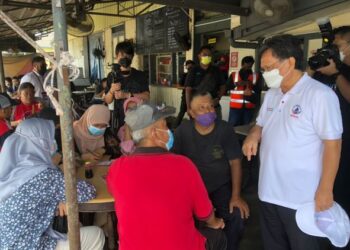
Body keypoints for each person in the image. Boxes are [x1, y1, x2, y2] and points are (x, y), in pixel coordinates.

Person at [242, 34, 343, 250]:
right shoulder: (272, 94)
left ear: (290, 62)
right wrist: (254, 134)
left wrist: (325, 190)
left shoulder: (319, 95)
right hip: (268, 192)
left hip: (302, 199)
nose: (265, 74)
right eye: (263, 69)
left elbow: (333, 145)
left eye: (269, 68)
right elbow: (261, 124)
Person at [107, 102, 227, 250]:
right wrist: (215, 223)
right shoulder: (184, 166)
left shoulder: (117, 167)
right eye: (165, 126)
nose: (169, 131)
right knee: (219, 237)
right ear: (154, 133)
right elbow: (205, 213)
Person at [0, 118, 105, 250]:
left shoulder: (10, 170)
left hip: (7, 244)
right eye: (50, 138)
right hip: (31, 246)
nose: (53, 143)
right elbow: (88, 191)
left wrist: (59, 196)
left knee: (77, 226)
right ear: (40, 142)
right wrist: (61, 196)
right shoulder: (44, 176)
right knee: (96, 234)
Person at [173, 91, 249, 250]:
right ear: (191, 113)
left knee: (237, 215)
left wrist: (236, 196)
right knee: (180, 219)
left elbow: (235, 162)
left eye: (211, 106)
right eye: (202, 108)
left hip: (221, 187)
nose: (208, 111)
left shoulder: (225, 129)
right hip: (192, 190)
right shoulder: (183, 131)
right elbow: (174, 165)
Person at [310, 26, 350, 248]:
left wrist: (337, 73)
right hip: (322, 147)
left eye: (338, 46)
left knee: (342, 195)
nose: (334, 50)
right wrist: (314, 65)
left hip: (346, 148)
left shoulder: (341, 71)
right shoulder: (327, 69)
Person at [104, 41, 149, 131]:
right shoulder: (112, 76)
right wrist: (111, 91)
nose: (125, 58)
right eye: (122, 55)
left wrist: (127, 95)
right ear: (117, 57)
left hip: (138, 120)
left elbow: (147, 97)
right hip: (119, 121)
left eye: (128, 55)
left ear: (132, 57)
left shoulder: (140, 75)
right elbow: (107, 100)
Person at [185, 45, 226, 119]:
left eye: (209, 55)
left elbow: (223, 86)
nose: (207, 57)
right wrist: (188, 107)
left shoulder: (216, 70)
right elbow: (188, 90)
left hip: (213, 106)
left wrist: (218, 98)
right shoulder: (193, 70)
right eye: (204, 55)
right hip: (197, 106)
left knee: (216, 127)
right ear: (199, 56)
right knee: (197, 128)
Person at [227, 56, 262, 126]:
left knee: (246, 129)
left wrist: (250, 84)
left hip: (249, 108)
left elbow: (259, 91)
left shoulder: (256, 76)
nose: (248, 68)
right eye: (247, 66)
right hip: (235, 108)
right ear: (242, 64)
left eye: (250, 66)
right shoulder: (234, 75)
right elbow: (227, 88)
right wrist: (235, 84)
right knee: (232, 128)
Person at [175, 60, 195, 127]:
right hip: (185, 97)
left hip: (194, 98)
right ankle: (175, 127)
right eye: (188, 67)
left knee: (193, 114)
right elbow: (178, 86)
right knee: (181, 113)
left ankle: (194, 128)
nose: (190, 68)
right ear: (186, 67)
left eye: (191, 67)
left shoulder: (196, 75)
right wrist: (186, 88)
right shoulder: (184, 75)